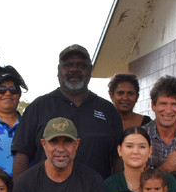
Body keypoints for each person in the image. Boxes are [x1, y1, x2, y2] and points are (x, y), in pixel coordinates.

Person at [11, 44, 122, 180]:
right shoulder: (38, 107)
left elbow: (118, 158)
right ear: (58, 71)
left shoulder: (108, 110)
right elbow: (22, 155)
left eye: (81, 65)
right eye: (67, 65)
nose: (74, 69)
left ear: (90, 70)